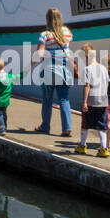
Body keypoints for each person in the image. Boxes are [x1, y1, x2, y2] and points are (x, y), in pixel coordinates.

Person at [32, 7, 75, 137]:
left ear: (48, 19)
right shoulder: (67, 32)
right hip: (65, 69)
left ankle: (45, 126)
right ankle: (66, 128)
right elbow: (67, 49)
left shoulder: (45, 34)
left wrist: (30, 65)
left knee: (47, 99)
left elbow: (39, 53)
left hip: (49, 70)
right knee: (64, 99)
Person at [74, 44, 110, 157]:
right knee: (102, 125)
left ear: (86, 57)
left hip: (91, 101)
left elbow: (87, 86)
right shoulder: (103, 68)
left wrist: (84, 102)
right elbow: (107, 82)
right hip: (103, 101)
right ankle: (104, 149)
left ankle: (82, 146)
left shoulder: (87, 69)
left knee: (85, 124)